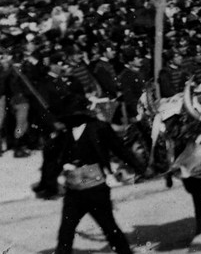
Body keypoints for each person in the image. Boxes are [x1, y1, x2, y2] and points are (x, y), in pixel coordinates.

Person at [41, 99, 146, 254]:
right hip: (73, 191)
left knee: (110, 228)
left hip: (95, 189)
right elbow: (52, 158)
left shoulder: (99, 128)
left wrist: (139, 167)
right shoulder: (65, 134)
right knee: (66, 231)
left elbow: (120, 149)